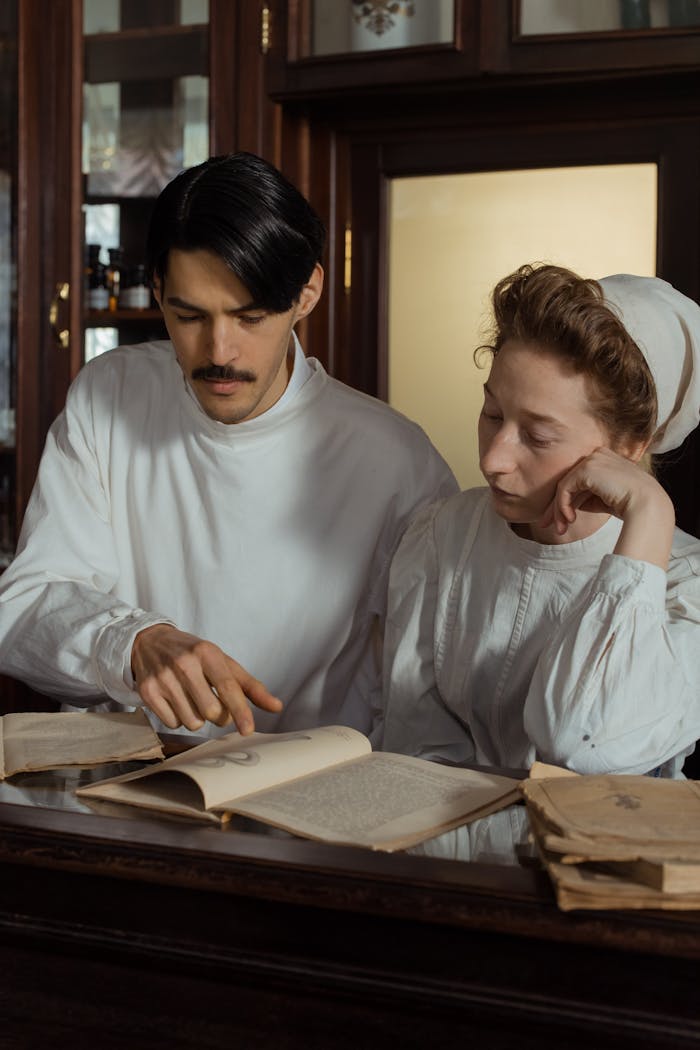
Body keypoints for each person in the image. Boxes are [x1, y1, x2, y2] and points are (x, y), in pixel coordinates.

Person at [0, 152, 456, 738]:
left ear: (307, 293)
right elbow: (22, 609)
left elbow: (430, 692)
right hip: (121, 791)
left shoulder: (396, 459)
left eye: (250, 317)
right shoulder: (109, 394)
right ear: (158, 291)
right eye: (189, 316)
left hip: (303, 804)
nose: (219, 352)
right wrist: (133, 641)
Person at [380, 263, 700, 780]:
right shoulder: (443, 534)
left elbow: (582, 742)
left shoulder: (688, 588)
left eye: (538, 436)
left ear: (630, 447)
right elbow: (412, 751)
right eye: (491, 414)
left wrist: (651, 512)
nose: (493, 461)